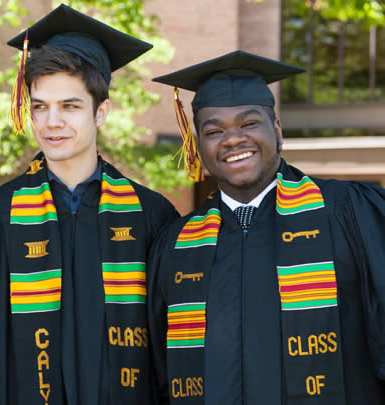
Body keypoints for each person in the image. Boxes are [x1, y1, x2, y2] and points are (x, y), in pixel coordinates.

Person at [0, 4, 179, 405]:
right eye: (39, 106)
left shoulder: (153, 218)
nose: (51, 122)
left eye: (70, 106)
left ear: (102, 112)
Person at [148, 50, 385, 404]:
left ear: (276, 129)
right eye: (214, 131)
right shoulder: (176, 245)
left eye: (248, 124)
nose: (232, 140)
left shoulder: (349, 212)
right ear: (198, 145)